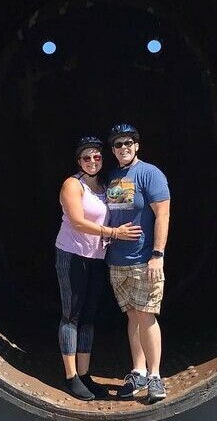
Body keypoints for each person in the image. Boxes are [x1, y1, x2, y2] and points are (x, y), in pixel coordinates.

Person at [55, 135, 142, 400]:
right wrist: (113, 232)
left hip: (96, 258)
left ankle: (84, 374)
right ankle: (70, 377)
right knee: (72, 315)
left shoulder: (107, 185)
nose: (92, 161)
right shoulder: (73, 185)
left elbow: (128, 209)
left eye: (97, 157)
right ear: (79, 160)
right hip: (72, 255)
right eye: (86, 157)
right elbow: (78, 222)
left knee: (89, 318)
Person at [104, 123, 171, 403]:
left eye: (128, 143)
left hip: (144, 260)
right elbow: (116, 215)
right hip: (117, 261)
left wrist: (157, 254)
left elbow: (163, 215)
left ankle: (155, 376)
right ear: (113, 150)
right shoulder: (115, 177)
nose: (123, 148)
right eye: (118, 145)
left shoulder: (150, 173)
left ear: (137, 146)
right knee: (133, 315)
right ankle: (138, 370)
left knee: (147, 316)